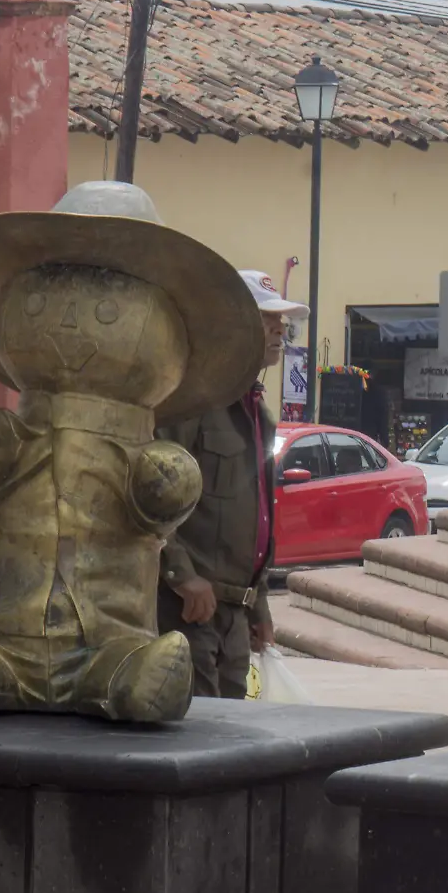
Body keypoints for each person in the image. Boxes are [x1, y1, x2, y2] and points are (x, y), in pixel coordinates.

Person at [156, 268, 304, 699]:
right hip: (188, 608)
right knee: (196, 735)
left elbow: (254, 519)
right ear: (228, 324)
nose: (280, 329)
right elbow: (147, 497)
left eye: (282, 320)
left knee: (230, 738)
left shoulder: (259, 417)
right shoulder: (189, 403)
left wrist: (258, 604)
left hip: (234, 615)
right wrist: (182, 576)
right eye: (266, 319)